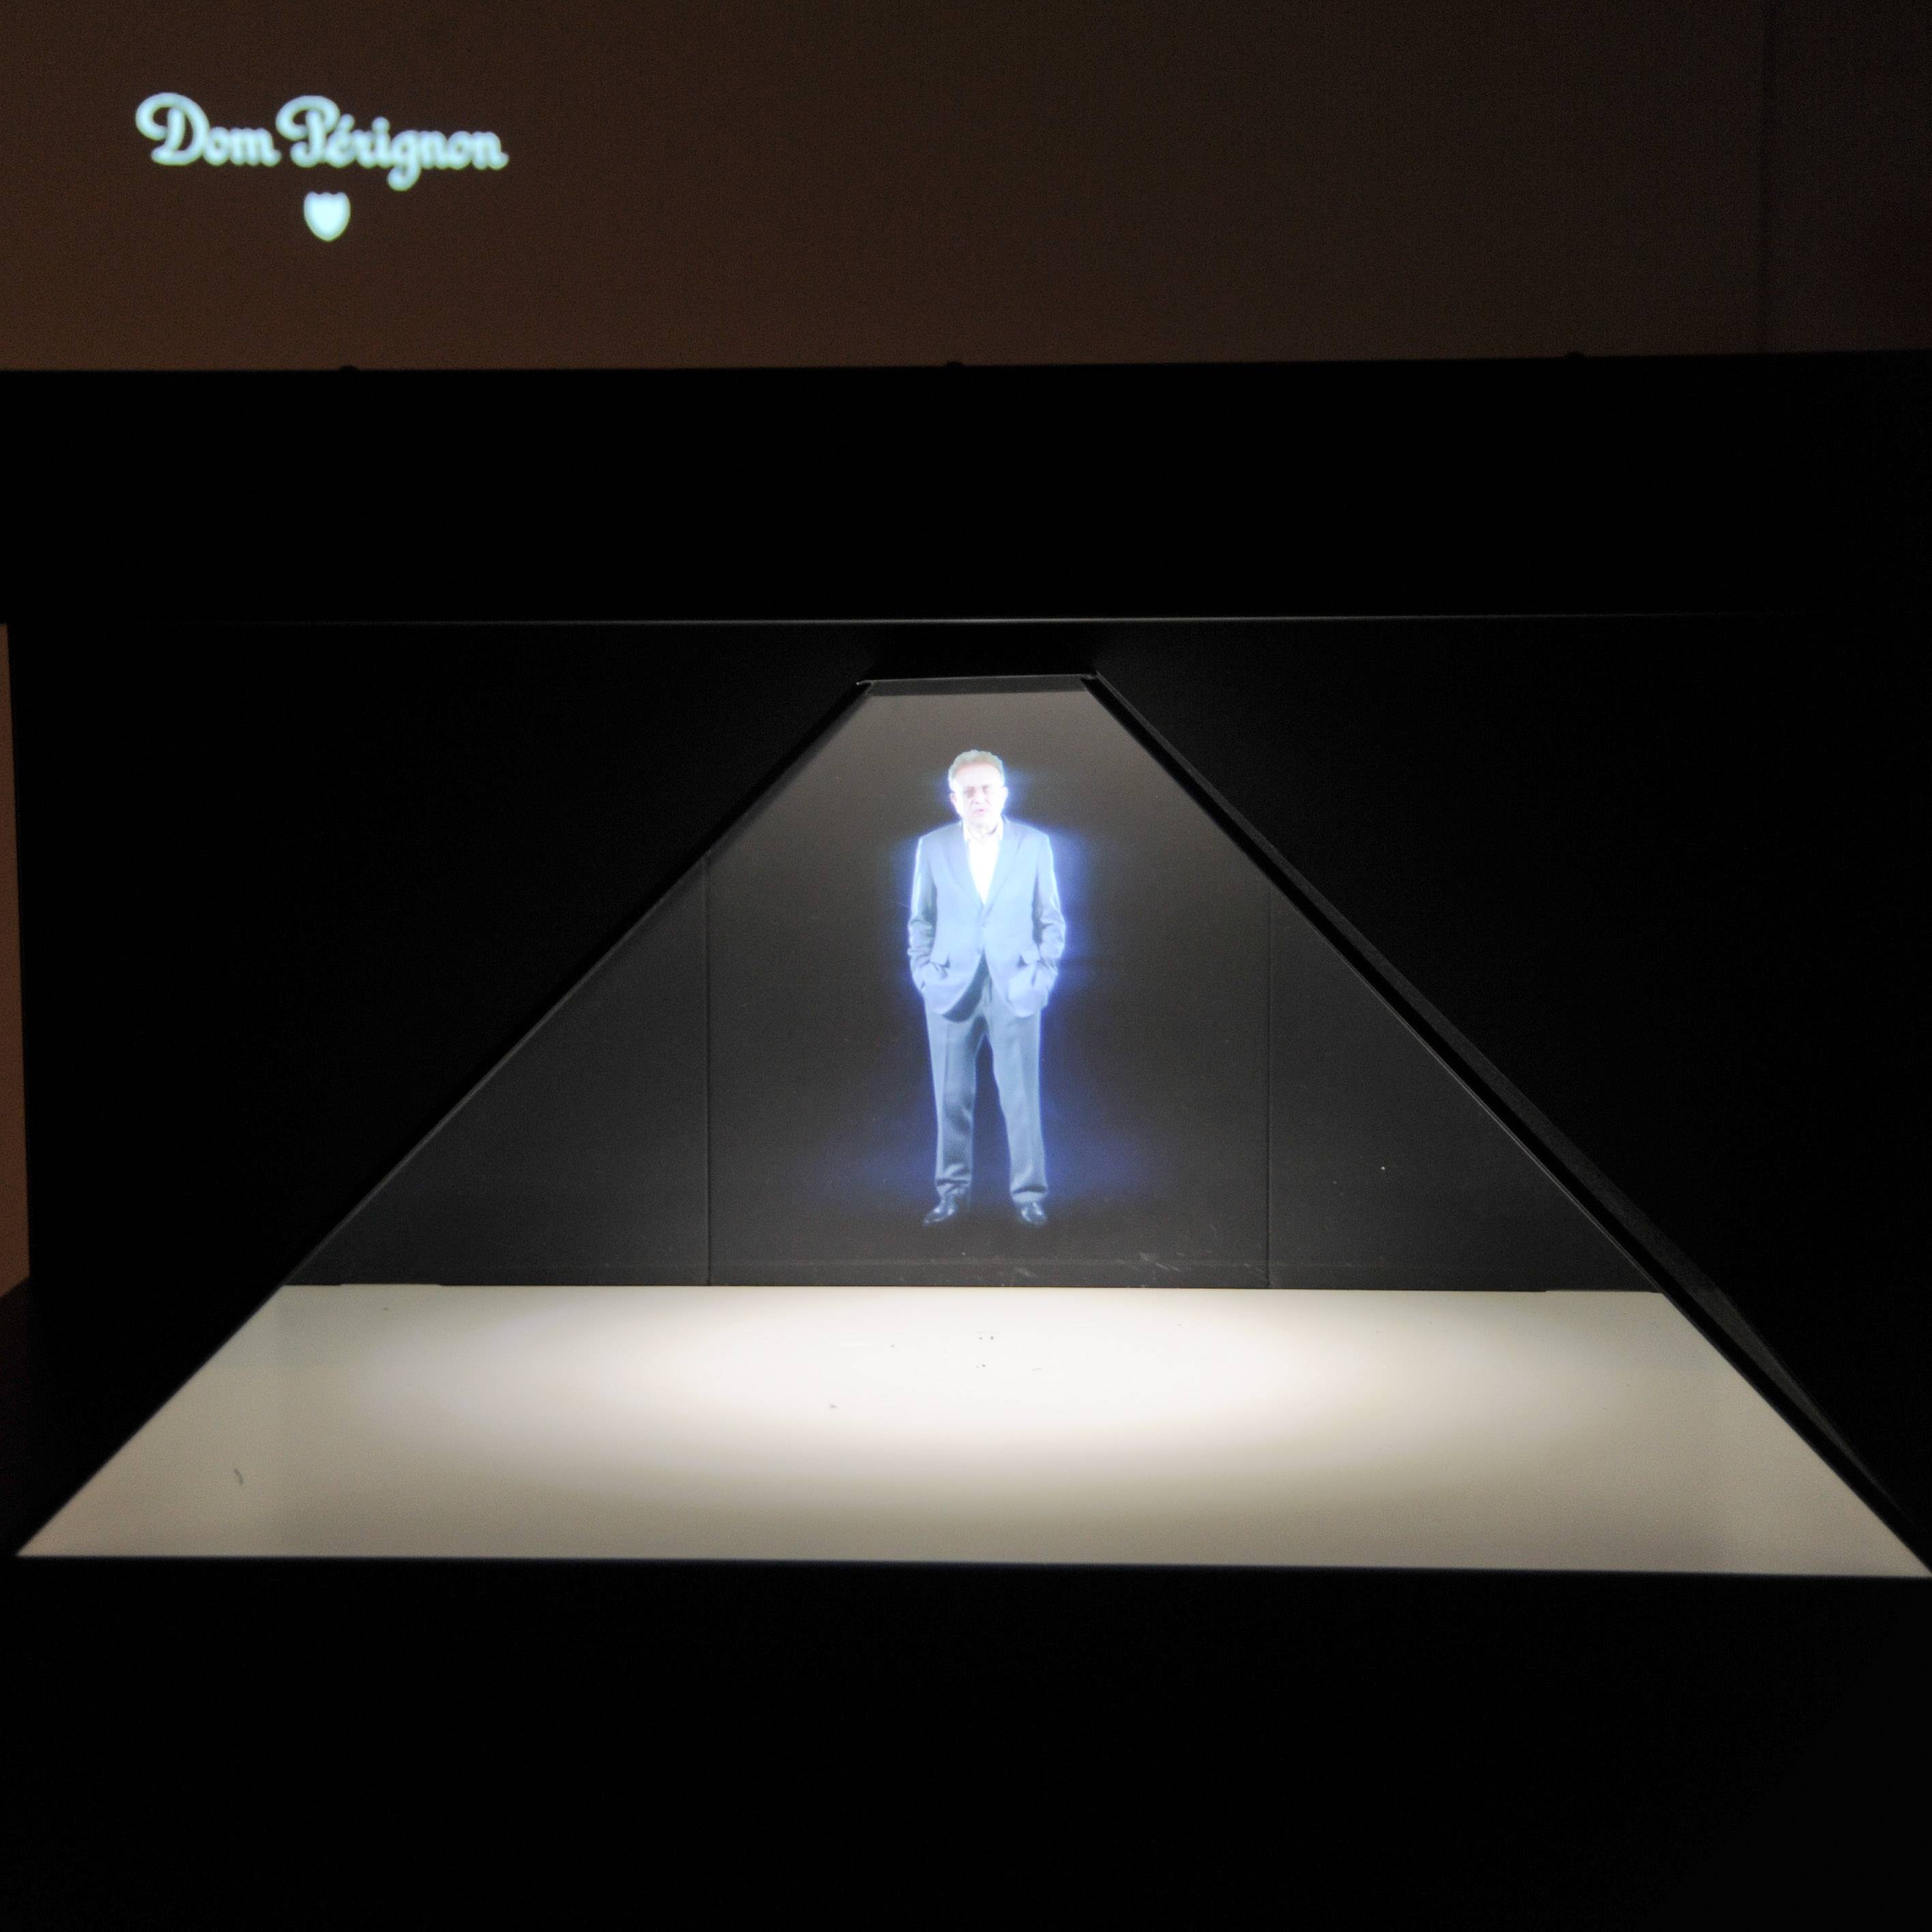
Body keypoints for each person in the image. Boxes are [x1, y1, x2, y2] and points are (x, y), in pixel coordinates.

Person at [907, 750, 1066, 1227]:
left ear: (1004, 794)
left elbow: (1051, 918)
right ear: (954, 799)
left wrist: (1043, 975)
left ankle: (1029, 1196)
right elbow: (921, 919)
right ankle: (952, 1193)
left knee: (1021, 1098)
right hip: (949, 988)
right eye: (969, 791)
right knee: (950, 1097)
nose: (979, 798)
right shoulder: (932, 847)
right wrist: (924, 974)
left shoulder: (1034, 844)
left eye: (987, 789)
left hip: (1015, 986)